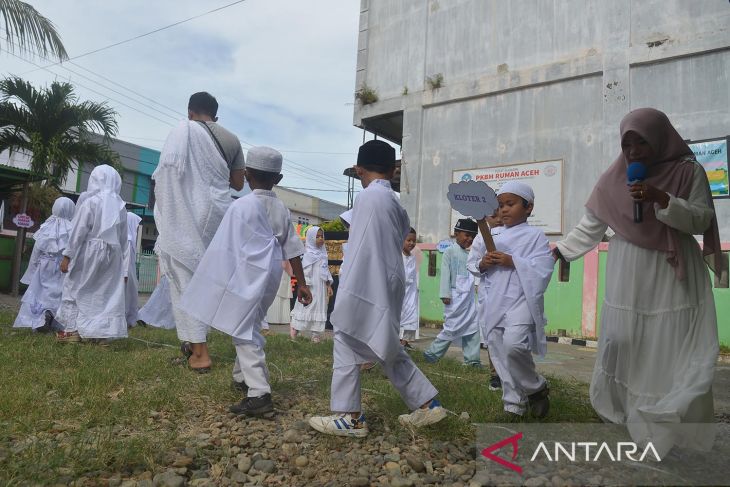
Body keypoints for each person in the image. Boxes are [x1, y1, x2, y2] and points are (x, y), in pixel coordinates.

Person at [554, 108, 723, 457]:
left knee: (671, 342)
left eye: (640, 142)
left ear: (659, 137)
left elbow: (702, 218)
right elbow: (593, 223)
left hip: (671, 267)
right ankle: (628, 412)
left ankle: (668, 419)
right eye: (626, 143)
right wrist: (561, 251)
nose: (632, 151)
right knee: (626, 338)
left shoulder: (688, 171)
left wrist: (662, 199)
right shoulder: (617, 176)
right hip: (628, 267)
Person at [309, 140, 446, 438]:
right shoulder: (395, 203)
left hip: (366, 280)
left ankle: (350, 417)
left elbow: (359, 245)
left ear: (359, 170)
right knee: (385, 345)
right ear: (391, 169)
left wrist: (346, 284)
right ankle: (426, 403)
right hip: (389, 279)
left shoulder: (368, 198)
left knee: (346, 337)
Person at [181, 146, 312, 417]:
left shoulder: (240, 206)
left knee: (243, 330)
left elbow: (226, 247)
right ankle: (242, 377)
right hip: (271, 276)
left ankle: (259, 394)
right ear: (279, 179)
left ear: (247, 174)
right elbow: (293, 248)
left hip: (246, 275)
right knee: (249, 323)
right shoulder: (281, 209)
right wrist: (302, 282)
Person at [152, 92, 244, 372]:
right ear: (215, 115)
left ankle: (201, 353)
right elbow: (238, 184)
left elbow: (167, 177)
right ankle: (194, 345)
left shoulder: (181, 131)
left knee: (185, 277)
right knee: (205, 280)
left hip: (183, 213)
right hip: (215, 216)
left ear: (190, 112)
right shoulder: (231, 139)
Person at [479, 181, 554, 417]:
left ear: (528, 207)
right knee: (499, 352)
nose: (504, 210)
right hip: (495, 299)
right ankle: (513, 404)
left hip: (522, 300)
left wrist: (513, 262)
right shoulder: (490, 234)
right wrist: (483, 263)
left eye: (510, 204)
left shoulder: (536, 236)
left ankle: (535, 388)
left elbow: (543, 268)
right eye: (501, 205)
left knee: (513, 345)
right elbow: (474, 261)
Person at [56, 165, 129, 342]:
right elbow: (124, 241)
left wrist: (67, 256)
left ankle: (73, 332)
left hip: (89, 253)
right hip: (113, 256)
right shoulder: (121, 207)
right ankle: (101, 336)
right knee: (104, 293)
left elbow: (78, 232)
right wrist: (125, 270)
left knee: (76, 287)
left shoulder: (90, 202)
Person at [423, 218, 481, 367]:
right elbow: (446, 273)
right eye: (467, 235)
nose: (469, 239)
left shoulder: (470, 255)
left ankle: (472, 360)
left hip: (468, 300)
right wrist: (445, 294)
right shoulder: (450, 251)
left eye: (472, 237)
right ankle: (432, 354)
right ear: (456, 233)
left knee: (473, 327)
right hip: (454, 299)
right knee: (451, 328)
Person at [14, 197, 75, 331]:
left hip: (44, 266)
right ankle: (54, 318)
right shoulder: (72, 230)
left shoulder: (45, 227)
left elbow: (36, 252)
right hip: (63, 268)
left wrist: (32, 271)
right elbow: (74, 252)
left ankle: (41, 317)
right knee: (59, 293)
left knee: (41, 293)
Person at [467, 210, 504, 390]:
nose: (498, 219)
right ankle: (495, 374)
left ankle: (516, 373)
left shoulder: (519, 233)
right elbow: (471, 263)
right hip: (489, 293)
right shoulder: (481, 238)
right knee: (492, 335)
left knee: (514, 337)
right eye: (493, 215)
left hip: (512, 294)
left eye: (501, 213)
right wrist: (482, 264)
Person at [290, 226, 333, 343]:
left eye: (322, 236)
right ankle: (295, 330)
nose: (320, 239)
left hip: (320, 287)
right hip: (310, 287)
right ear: (310, 238)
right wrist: (305, 285)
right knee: (306, 307)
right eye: (317, 236)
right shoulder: (308, 255)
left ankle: (315, 334)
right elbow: (305, 271)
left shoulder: (323, 254)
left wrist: (328, 284)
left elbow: (326, 271)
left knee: (319, 307)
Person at [399, 228, 419, 350]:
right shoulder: (396, 256)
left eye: (414, 241)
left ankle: (404, 342)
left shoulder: (412, 257)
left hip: (410, 293)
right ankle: (396, 341)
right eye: (408, 240)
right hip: (399, 292)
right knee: (398, 317)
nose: (411, 243)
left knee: (411, 316)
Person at [124, 212, 142, 327]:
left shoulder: (126, 238)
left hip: (128, 273)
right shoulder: (129, 239)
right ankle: (128, 320)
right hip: (126, 275)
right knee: (128, 297)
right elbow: (127, 259)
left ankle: (129, 319)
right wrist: (125, 274)